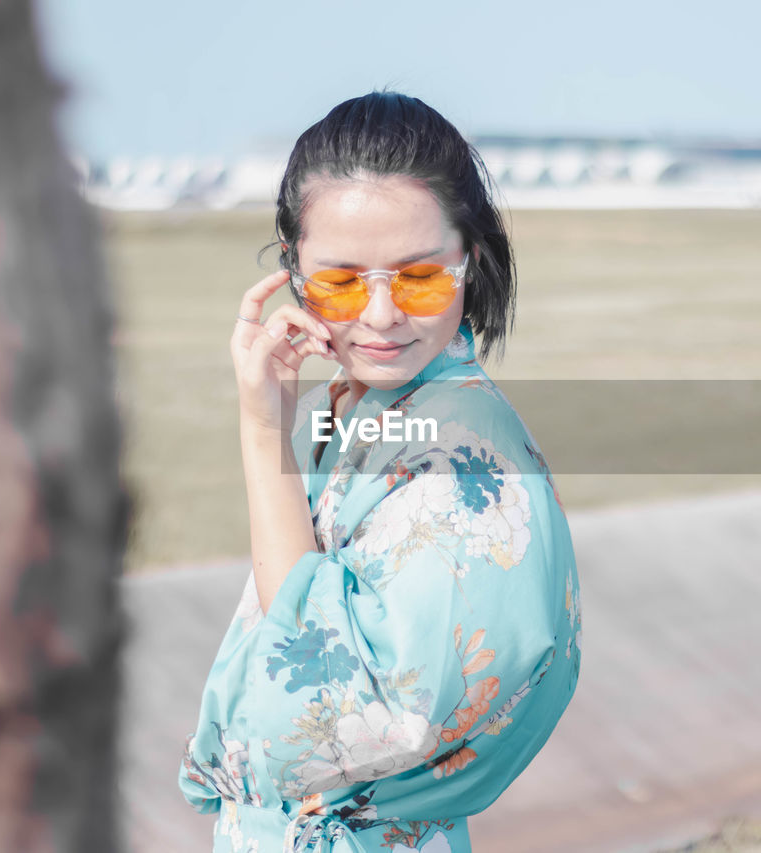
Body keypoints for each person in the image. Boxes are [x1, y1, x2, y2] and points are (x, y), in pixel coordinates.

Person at [178, 91, 582, 853]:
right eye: (340, 281)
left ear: (472, 262)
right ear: (294, 274)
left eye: (420, 277)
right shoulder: (365, 410)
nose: (381, 314)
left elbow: (324, 695)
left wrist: (263, 434)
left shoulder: (460, 462)